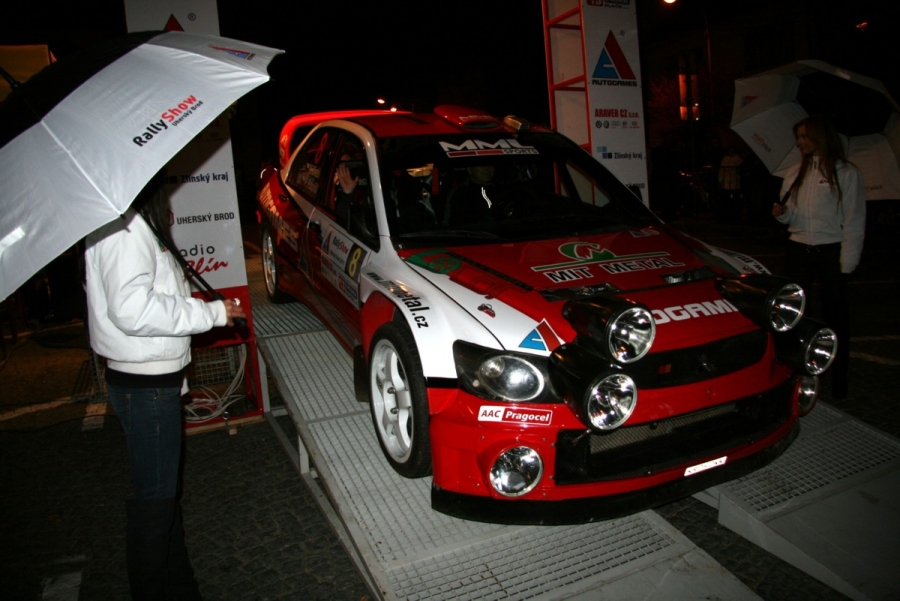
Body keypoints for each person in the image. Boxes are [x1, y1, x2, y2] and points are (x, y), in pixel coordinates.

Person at [84, 179, 245, 600]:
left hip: (152, 381)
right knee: (155, 506)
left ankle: (180, 588)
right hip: (146, 385)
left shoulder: (134, 224)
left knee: (162, 500)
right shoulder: (123, 229)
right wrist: (209, 313)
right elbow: (131, 309)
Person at [772, 115, 865, 399]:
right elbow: (792, 216)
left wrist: (847, 262)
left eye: (804, 136)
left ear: (820, 137)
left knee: (836, 314)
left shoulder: (845, 172)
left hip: (830, 251)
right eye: (798, 137)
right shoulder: (794, 172)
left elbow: (854, 219)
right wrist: (782, 214)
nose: (800, 142)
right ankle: (796, 371)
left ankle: (839, 376)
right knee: (796, 314)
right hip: (798, 249)